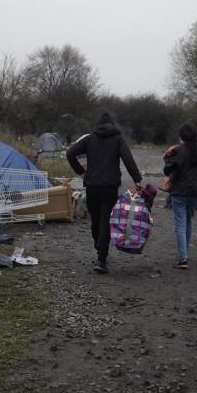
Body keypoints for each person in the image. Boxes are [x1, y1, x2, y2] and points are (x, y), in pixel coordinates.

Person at [67, 112, 142, 274]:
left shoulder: (89, 139)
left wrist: (80, 171)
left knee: (95, 219)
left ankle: (98, 246)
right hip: (110, 187)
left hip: (92, 186)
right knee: (106, 220)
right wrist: (137, 179)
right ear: (112, 125)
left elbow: (70, 153)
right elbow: (128, 158)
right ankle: (101, 258)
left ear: (98, 125)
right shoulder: (118, 139)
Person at [163, 123, 197, 269]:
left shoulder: (179, 151)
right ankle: (185, 254)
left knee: (180, 224)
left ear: (182, 136)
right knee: (188, 221)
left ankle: (183, 258)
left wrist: (167, 158)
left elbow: (167, 169)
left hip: (179, 191)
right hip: (195, 192)